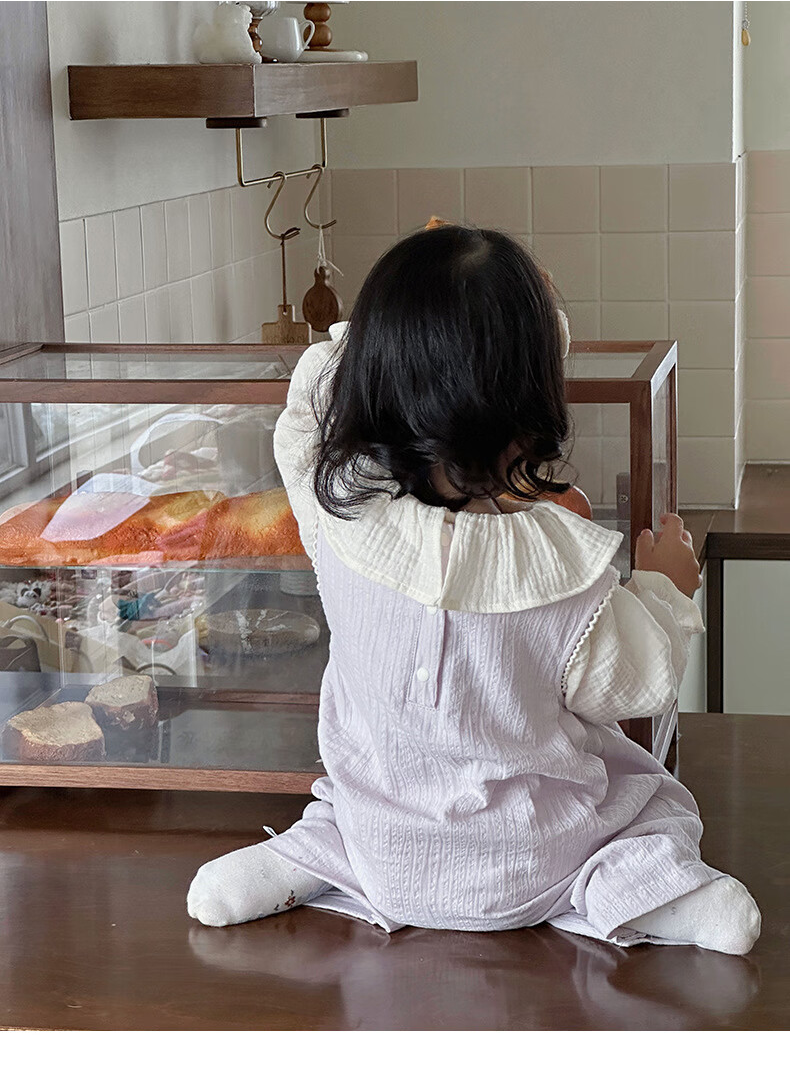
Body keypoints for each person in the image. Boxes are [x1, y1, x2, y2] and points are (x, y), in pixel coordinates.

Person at [188, 225, 761, 955]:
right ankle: (658, 894)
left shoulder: (338, 511)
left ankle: (296, 864)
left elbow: (308, 400)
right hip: (538, 860)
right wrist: (665, 584)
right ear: (536, 401)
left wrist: (404, 320)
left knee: (339, 809)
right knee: (644, 809)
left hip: (388, 849)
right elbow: (641, 680)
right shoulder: (558, 573)